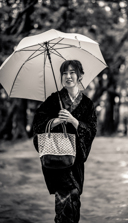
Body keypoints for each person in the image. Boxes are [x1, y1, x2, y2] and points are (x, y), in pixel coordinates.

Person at [32, 60, 97, 223]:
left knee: (74, 198)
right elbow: (38, 125)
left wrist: (74, 121)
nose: (68, 76)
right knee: (63, 200)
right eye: (64, 73)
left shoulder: (88, 104)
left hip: (76, 162)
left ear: (80, 75)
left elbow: (92, 130)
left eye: (72, 72)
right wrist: (55, 122)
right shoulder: (53, 100)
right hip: (57, 158)